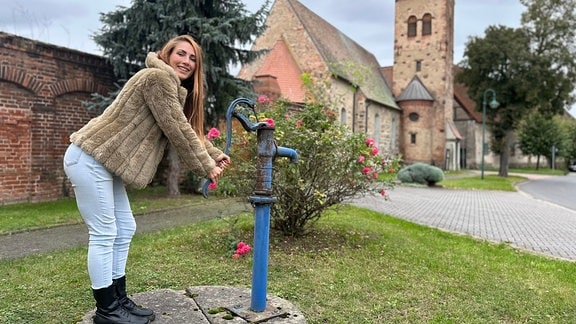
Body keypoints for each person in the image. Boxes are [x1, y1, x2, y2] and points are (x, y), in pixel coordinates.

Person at [63, 35, 230, 324]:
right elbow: (177, 129)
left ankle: (118, 299)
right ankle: (107, 310)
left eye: (193, 59)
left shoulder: (168, 88)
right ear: (167, 54)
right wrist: (206, 166)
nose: (187, 62)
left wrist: (213, 154)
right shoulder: (156, 79)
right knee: (104, 233)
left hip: (104, 162)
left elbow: (183, 126)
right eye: (181, 54)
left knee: (125, 227)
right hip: (89, 157)